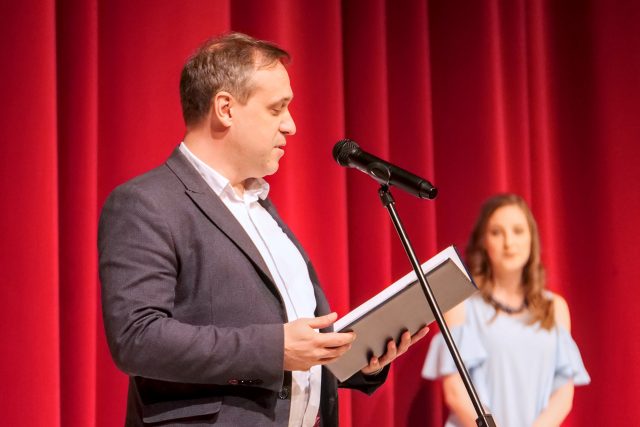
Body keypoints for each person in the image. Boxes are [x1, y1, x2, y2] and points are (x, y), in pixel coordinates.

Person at [98, 32, 428, 426]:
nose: (291, 125)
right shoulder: (147, 202)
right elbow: (137, 338)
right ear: (226, 109)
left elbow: (292, 355)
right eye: (277, 108)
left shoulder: (260, 208)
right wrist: (276, 349)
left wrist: (357, 358)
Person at [422, 193, 590, 427]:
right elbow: (455, 392)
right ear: (484, 242)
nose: (509, 243)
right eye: (497, 232)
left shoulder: (555, 307)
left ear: (532, 239)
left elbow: (563, 394)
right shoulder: (461, 305)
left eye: (518, 231)